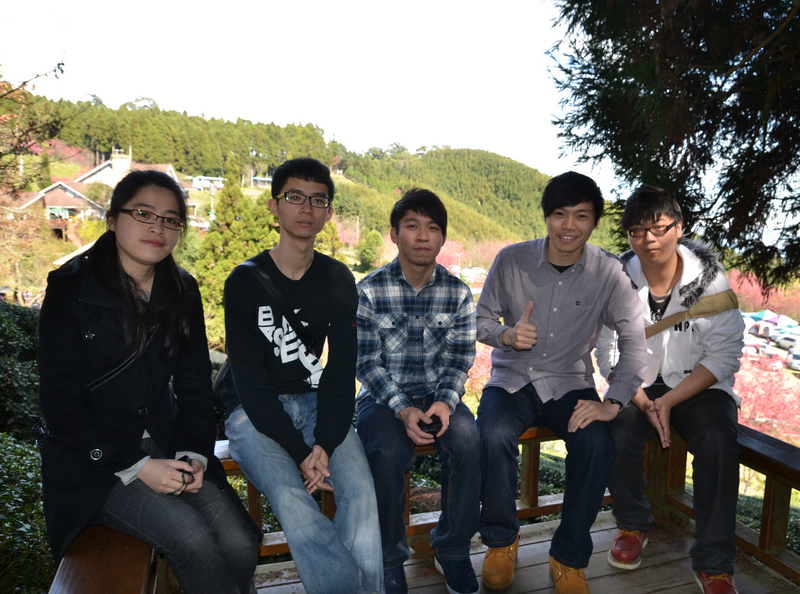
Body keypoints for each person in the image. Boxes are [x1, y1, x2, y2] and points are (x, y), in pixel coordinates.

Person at [38, 170, 261, 594]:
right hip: (94, 461)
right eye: (143, 214)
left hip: (165, 439)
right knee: (192, 541)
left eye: (171, 219)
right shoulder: (70, 289)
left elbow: (194, 385)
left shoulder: (182, 290)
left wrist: (194, 453)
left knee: (240, 540)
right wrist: (139, 466)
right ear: (112, 218)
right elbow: (60, 406)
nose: (158, 228)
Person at [476, 171, 647, 594]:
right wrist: (507, 336)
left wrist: (613, 401)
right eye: (559, 214)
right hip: (512, 378)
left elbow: (634, 341)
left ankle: (568, 555)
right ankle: (501, 540)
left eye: (581, 216)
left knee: (597, 443)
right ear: (546, 217)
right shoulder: (511, 260)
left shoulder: (609, 272)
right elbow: (480, 321)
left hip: (569, 381)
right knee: (492, 432)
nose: (569, 226)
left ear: (594, 222)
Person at [222, 157, 383, 594]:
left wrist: (324, 443)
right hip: (252, 413)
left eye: (318, 200)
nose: (306, 208)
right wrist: (300, 452)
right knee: (292, 500)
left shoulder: (336, 278)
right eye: (295, 197)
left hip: (315, 403)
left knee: (361, 493)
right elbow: (250, 384)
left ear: (329, 212)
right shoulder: (245, 281)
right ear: (274, 206)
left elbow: (341, 368)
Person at [595, 184, 744, 594]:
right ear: (628, 235)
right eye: (637, 231)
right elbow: (606, 351)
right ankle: (632, 524)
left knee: (718, 440)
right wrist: (643, 400)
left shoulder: (711, 282)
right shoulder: (616, 279)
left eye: (659, 228)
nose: (649, 239)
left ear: (679, 227)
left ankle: (715, 562)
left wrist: (670, 400)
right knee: (614, 430)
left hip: (698, 384)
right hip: (637, 382)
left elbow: (725, 355)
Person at [356, 189, 480, 594]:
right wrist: (402, 409)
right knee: (385, 452)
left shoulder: (458, 293)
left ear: (442, 237)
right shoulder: (369, 290)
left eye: (432, 227)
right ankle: (390, 559)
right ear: (395, 234)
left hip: (438, 392)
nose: (423, 235)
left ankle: (453, 549)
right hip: (382, 397)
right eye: (412, 226)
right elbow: (366, 362)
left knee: (468, 441)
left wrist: (444, 401)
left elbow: (459, 359)